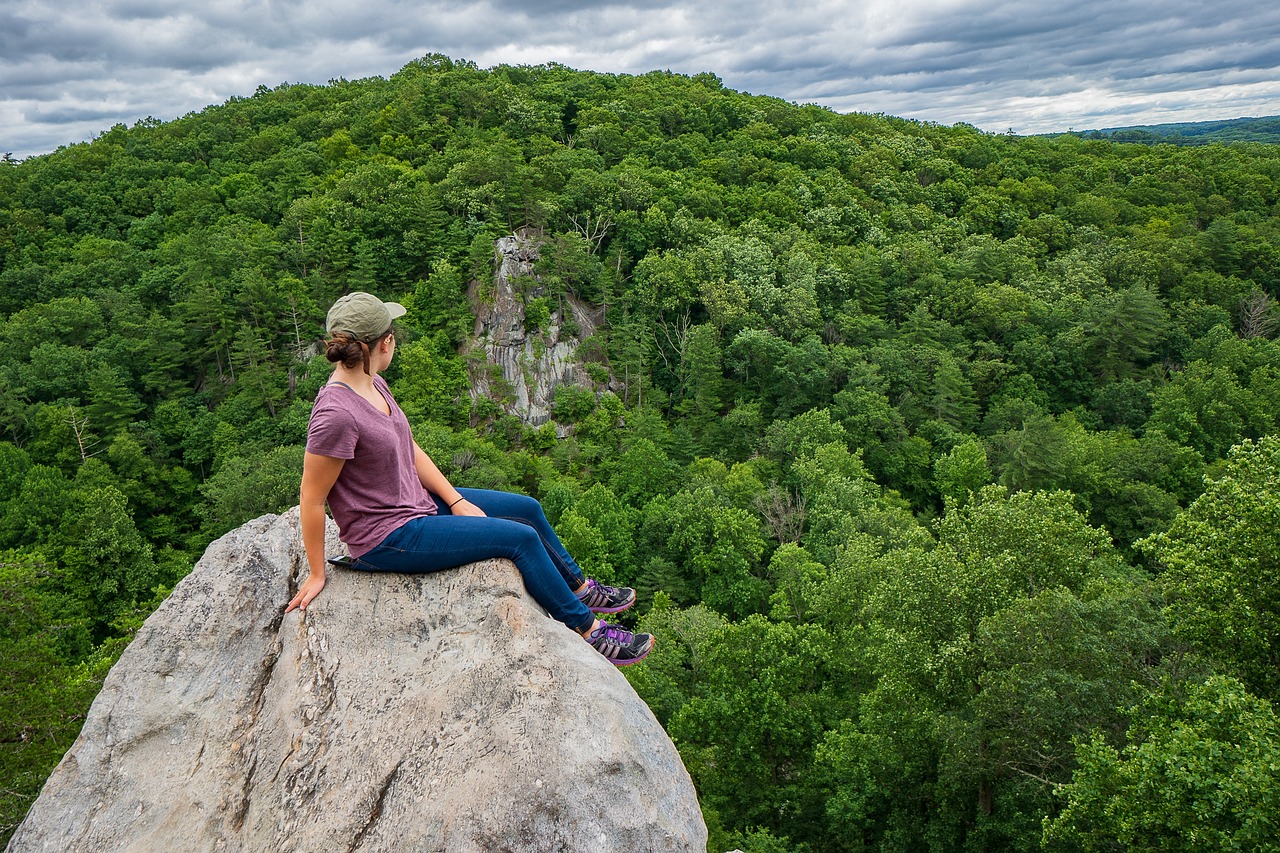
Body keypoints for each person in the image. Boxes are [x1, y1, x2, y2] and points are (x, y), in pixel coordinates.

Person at [287, 292, 654, 666]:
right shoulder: (336, 413)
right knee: (520, 540)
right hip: (388, 536)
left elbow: (409, 449)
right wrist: (317, 573)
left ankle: (579, 588)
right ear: (385, 343)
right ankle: (589, 630)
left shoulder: (372, 382)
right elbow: (312, 497)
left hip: (417, 502)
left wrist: (457, 501)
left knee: (527, 509)